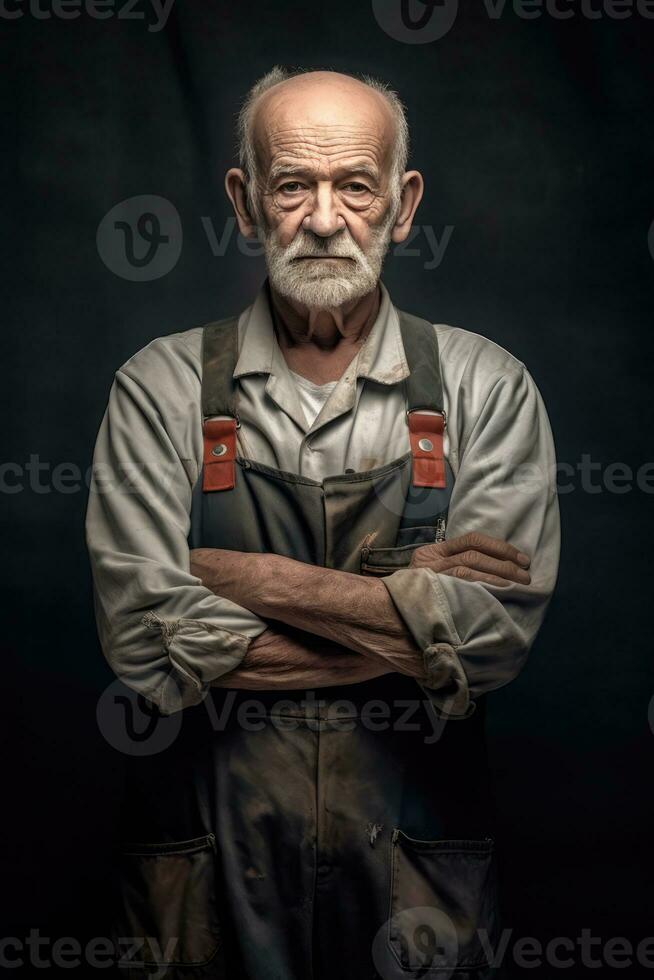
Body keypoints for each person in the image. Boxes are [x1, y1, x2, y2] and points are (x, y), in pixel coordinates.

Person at [86, 66, 560, 980]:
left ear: (403, 203)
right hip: (213, 862)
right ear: (246, 203)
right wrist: (415, 610)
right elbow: (145, 639)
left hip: (416, 861)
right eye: (293, 185)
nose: (324, 217)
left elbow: (494, 638)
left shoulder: (485, 387)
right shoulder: (160, 387)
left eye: (355, 185)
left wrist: (230, 573)